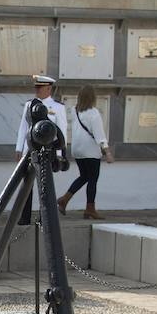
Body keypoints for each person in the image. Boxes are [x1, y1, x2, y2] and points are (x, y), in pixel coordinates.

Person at [14, 74, 68, 226]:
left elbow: (62, 130)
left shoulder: (58, 107)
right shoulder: (29, 105)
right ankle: (24, 217)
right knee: (27, 185)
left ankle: (45, 216)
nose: (37, 90)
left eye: (40, 87)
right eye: (36, 87)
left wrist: (59, 153)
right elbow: (23, 128)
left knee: (44, 185)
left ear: (49, 88)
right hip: (30, 151)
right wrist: (19, 148)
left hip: (47, 151)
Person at [58, 84, 113, 219]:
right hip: (90, 151)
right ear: (92, 97)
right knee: (92, 179)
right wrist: (107, 152)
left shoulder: (74, 110)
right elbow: (99, 135)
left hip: (78, 150)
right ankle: (90, 209)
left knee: (84, 176)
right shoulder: (94, 113)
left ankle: (65, 199)